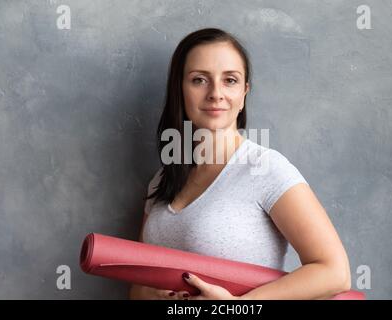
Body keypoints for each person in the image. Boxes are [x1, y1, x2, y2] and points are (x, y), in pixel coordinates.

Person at [129, 28, 351, 300]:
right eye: (199, 80)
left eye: (230, 80)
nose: (216, 93)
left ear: (245, 91)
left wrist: (237, 306)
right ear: (179, 88)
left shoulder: (266, 169)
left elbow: (335, 272)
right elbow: (137, 286)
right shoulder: (162, 180)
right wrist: (154, 296)